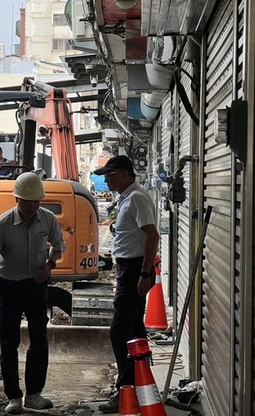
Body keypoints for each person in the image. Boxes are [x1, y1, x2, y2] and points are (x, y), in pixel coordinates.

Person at [0, 172, 64, 414]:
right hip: (9, 286)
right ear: (17, 199)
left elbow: (59, 245)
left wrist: (49, 266)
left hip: (36, 286)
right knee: (9, 342)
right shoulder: (3, 224)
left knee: (39, 338)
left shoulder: (47, 219)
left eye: (36, 202)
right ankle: (14, 397)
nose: (32, 207)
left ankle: (34, 394)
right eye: (27, 202)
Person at [93, 155, 159, 413]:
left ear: (124, 174)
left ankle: (125, 389)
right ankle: (142, 385)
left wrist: (144, 274)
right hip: (129, 269)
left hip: (134, 271)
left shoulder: (137, 198)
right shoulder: (127, 198)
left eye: (110, 175)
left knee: (120, 331)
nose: (107, 179)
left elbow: (151, 235)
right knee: (133, 328)